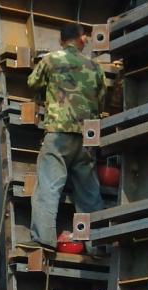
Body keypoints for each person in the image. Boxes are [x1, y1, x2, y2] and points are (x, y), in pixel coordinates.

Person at [28, 22, 109, 252]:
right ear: (81, 40)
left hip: (59, 134)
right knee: (89, 194)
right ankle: (96, 245)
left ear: (62, 40)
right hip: (86, 139)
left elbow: (32, 82)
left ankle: (45, 239)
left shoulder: (51, 60)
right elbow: (101, 100)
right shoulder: (95, 67)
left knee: (49, 187)